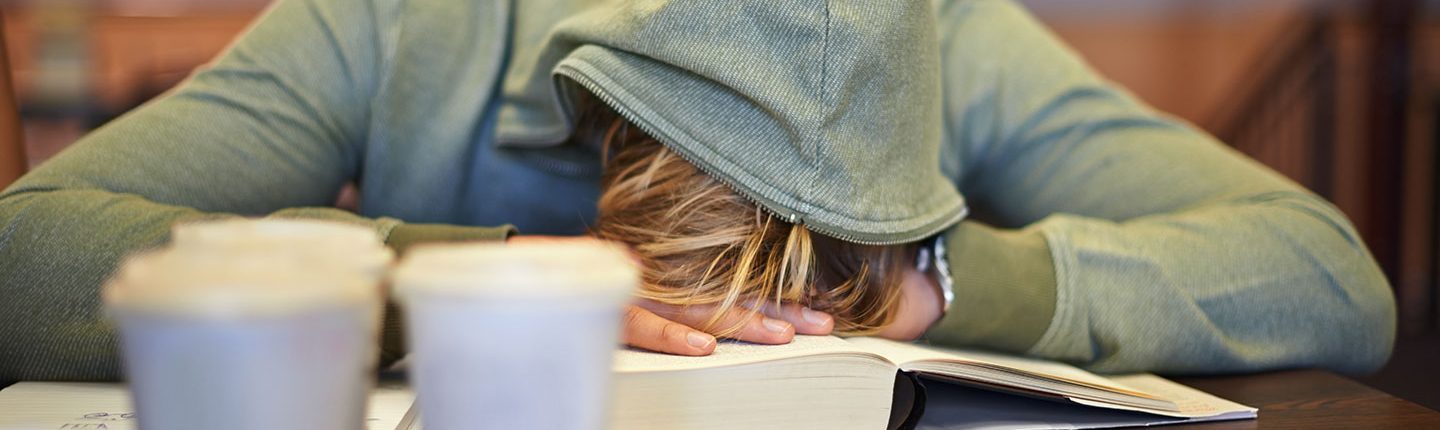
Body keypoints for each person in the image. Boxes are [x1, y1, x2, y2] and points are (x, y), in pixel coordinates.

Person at [0, 0, 1395, 382]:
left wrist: (942, 284)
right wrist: (469, 277)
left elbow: (1330, 272)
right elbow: (22, 252)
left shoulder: (944, 34)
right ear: (592, 117)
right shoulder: (395, 21)